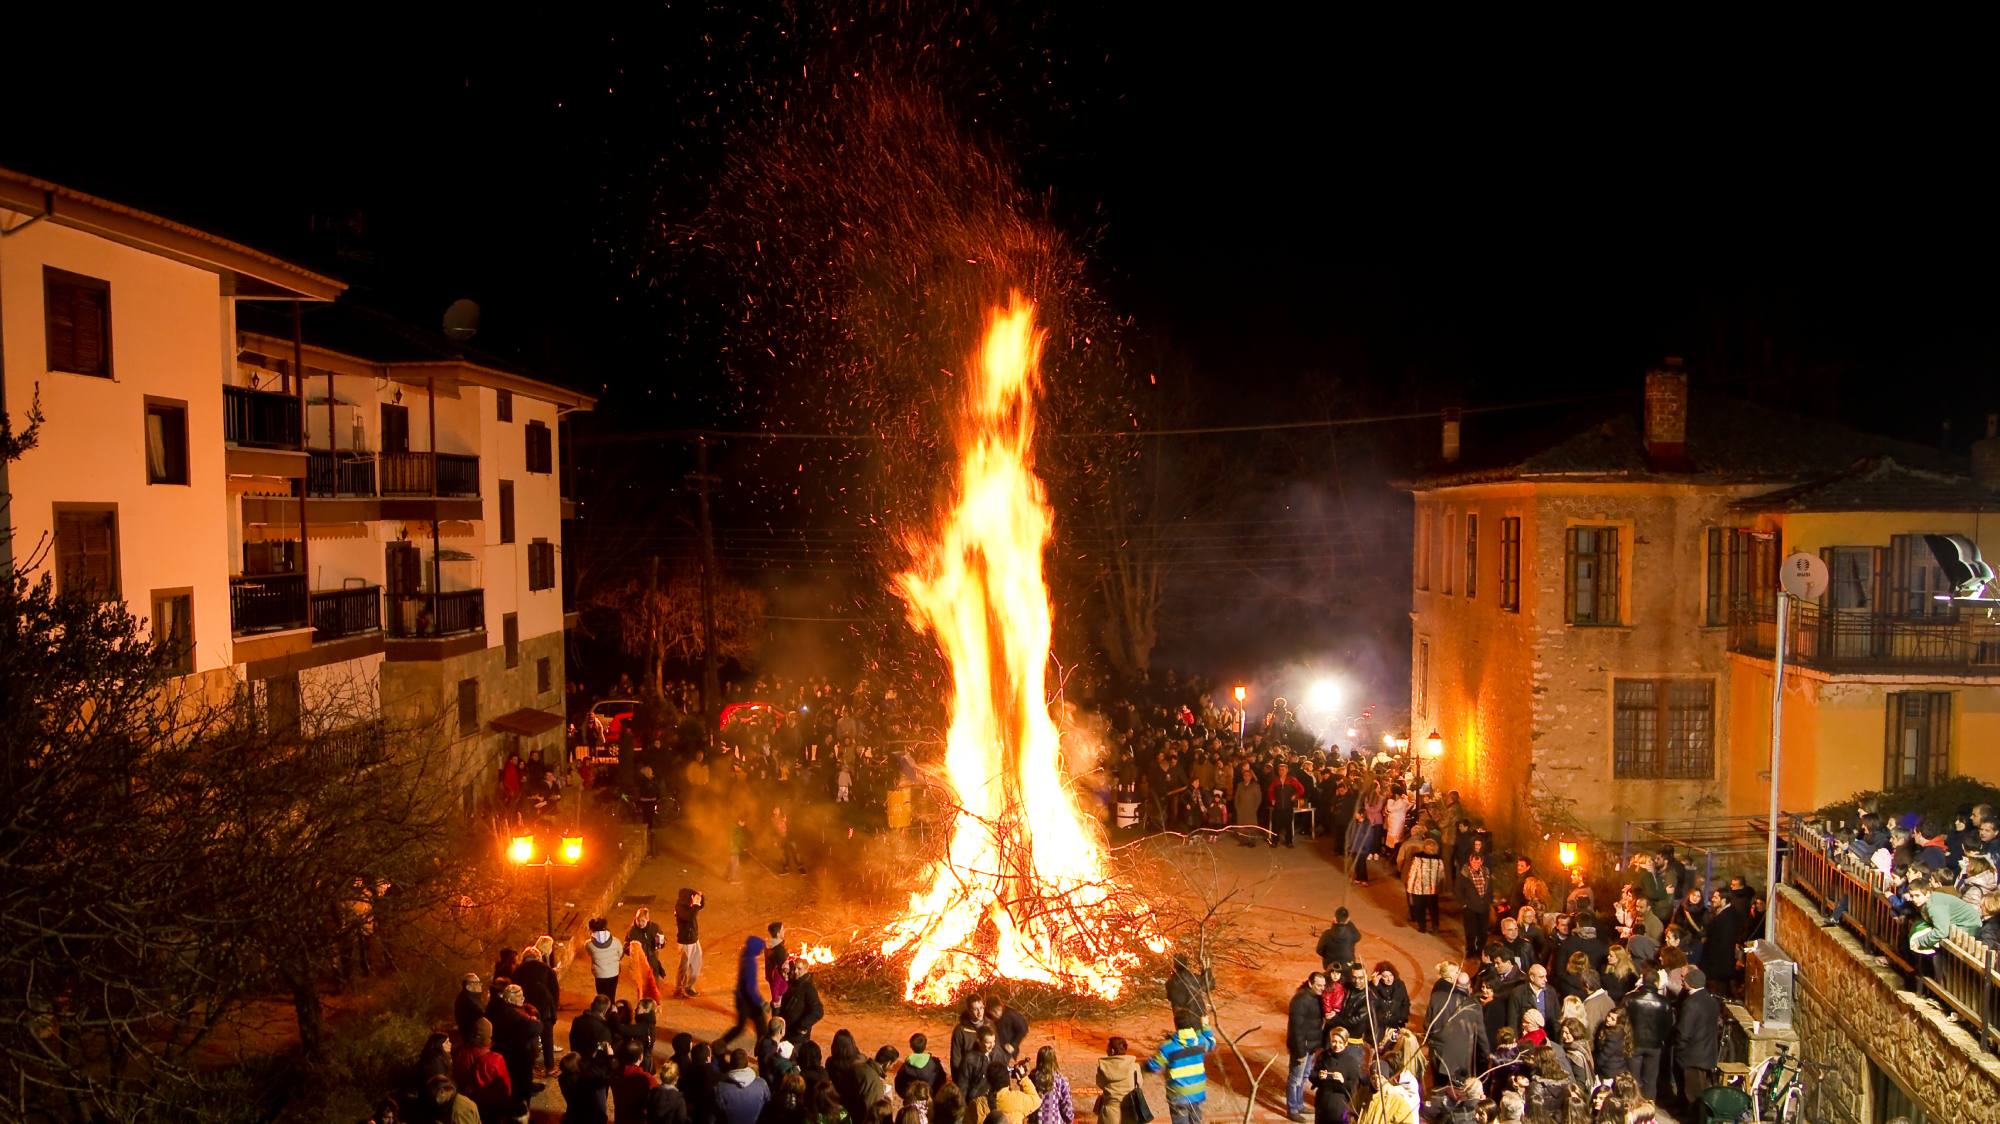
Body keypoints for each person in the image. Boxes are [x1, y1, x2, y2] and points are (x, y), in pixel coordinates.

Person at [1144, 1013, 1217, 1124]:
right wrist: (1205, 1025)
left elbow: (1153, 1066)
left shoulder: (1168, 1047)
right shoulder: (1201, 1042)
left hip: (1178, 1095)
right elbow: (1212, 1043)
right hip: (1197, 1093)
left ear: (1176, 1025)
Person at [1674, 967, 1721, 1112]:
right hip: (1707, 1053)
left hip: (1692, 1056)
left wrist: (1679, 1047)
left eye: (1685, 979)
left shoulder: (1691, 1003)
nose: (1683, 981)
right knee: (1702, 1090)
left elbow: (1684, 1031)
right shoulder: (1711, 1000)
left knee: (1693, 1094)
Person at [1622, 972, 1671, 1104]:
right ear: (1657, 982)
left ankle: (1632, 1107)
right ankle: (1648, 1111)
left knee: (1633, 1079)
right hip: (1654, 1045)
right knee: (1651, 1080)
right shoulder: (1664, 1002)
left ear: (1642, 981)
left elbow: (1622, 1020)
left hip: (1634, 1043)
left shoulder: (1630, 998)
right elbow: (1668, 1024)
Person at [1285, 972, 1327, 1121]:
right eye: (1319, 985)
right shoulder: (1301, 1000)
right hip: (1301, 1047)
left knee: (1303, 1077)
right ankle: (1292, 1109)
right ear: (1310, 983)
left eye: (1323, 985)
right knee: (1295, 1078)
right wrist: (1301, 1050)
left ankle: (1299, 1104)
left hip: (1311, 1046)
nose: (1322, 988)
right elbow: (1297, 1029)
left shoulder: (1317, 998)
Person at [453, 1019, 512, 1122]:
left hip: (468, 1108)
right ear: (488, 1036)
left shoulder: (459, 1053)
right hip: (491, 1111)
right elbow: (506, 1089)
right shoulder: (495, 1059)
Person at [517, 940, 561, 1073]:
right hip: (545, 1008)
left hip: (526, 1008)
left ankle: (529, 1066)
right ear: (538, 957)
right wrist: (554, 1007)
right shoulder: (546, 970)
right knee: (547, 1038)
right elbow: (554, 991)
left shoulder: (518, 971)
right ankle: (550, 1066)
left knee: (529, 1038)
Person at [719, 936, 771, 1050]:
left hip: (741, 999)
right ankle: (762, 1052)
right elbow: (750, 988)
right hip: (748, 1001)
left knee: (740, 1027)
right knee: (762, 1028)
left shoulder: (745, 956)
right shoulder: (751, 963)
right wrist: (761, 1003)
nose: (761, 951)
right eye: (760, 949)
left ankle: (720, 1044)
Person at [1309, 1026, 1366, 1124]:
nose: (1337, 1045)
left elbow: (1354, 1086)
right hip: (1322, 1103)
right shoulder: (1323, 1056)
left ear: (1346, 1043)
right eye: (1334, 1041)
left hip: (1339, 1106)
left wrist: (1342, 1081)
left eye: (1340, 1042)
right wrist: (1319, 1076)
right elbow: (1312, 1076)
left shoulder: (1351, 1062)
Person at [716, 1048, 773, 1124]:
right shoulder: (762, 1084)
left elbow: (717, 1112)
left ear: (731, 1064)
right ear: (747, 1063)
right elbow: (768, 1104)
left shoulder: (720, 1088)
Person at [1093, 1037, 1141, 1124]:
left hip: (1109, 1112)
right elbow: (1139, 1084)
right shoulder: (1135, 1067)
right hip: (1130, 1112)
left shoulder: (1103, 1068)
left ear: (1112, 1050)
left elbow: (1100, 1083)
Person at [780, 958, 824, 1045]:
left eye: (799, 969)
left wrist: (803, 1026)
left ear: (806, 970)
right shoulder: (793, 983)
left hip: (798, 1037)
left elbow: (818, 1011)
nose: (796, 971)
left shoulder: (808, 989)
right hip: (788, 1031)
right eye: (795, 968)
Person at [1404, 839, 1444, 934]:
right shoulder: (1438, 859)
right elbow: (1441, 875)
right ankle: (1433, 926)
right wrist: (1440, 888)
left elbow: (1413, 872)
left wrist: (1409, 886)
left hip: (1419, 888)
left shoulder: (1418, 858)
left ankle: (1423, 926)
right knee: (1432, 908)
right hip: (1431, 889)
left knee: (1421, 907)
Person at [1458, 853, 1494, 957]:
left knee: (1483, 930)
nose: (1476, 864)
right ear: (1470, 861)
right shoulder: (1464, 873)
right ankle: (1470, 949)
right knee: (1470, 930)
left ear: (1481, 862)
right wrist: (1463, 903)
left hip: (1484, 907)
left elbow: (1490, 887)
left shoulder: (1486, 872)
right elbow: (1458, 890)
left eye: (1478, 862)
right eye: (1474, 861)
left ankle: (1480, 949)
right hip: (1470, 907)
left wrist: (1489, 900)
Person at [1027, 1046, 1072, 1124]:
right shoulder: (1061, 1080)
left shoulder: (1032, 1078)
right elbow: (1066, 1105)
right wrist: (1069, 1118)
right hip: (1054, 1120)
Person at [897, 1033, 947, 1101]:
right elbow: (942, 1080)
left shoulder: (905, 1066)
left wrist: (906, 1097)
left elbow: (899, 1083)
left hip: (911, 1101)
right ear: (925, 1046)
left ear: (911, 1046)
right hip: (930, 1100)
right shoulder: (934, 1064)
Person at [676, 888, 707, 997]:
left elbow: (700, 906)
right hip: (685, 942)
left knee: (696, 963)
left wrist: (700, 899)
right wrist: (695, 904)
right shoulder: (680, 908)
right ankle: (679, 989)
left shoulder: (691, 907)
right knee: (684, 967)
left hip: (694, 940)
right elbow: (689, 917)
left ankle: (689, 987)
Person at [1268, 763, 1305, 848]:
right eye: (1280, 770)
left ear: (1287, 770)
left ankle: (1289, 841)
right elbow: (1270, 790)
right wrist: (1272, 799)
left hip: (1288, 806)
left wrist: (1295, 796)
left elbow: (1301, 789)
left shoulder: (1292, 780)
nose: (1281, 771)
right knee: (1276, 824)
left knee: (1288, 824)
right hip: (1277, 806)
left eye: (1283, 770)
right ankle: (1275, 841)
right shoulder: (1275, 780)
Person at [587, 918, 624, 1001]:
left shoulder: (588, 944)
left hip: (599, 974)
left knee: (601, 996)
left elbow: (590, 953)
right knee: (612, 995)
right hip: (614, 972)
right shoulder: (616, 941)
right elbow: (621, 954)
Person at [989, 996, 1029, 1060]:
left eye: (999, 1010)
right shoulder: (987, 1017)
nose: (997, 1013)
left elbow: (1023, 1029)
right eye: (993, 1011)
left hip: (1007, 1050)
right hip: (993, 1049)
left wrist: (1013, 1044)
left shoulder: (1010, 1014)